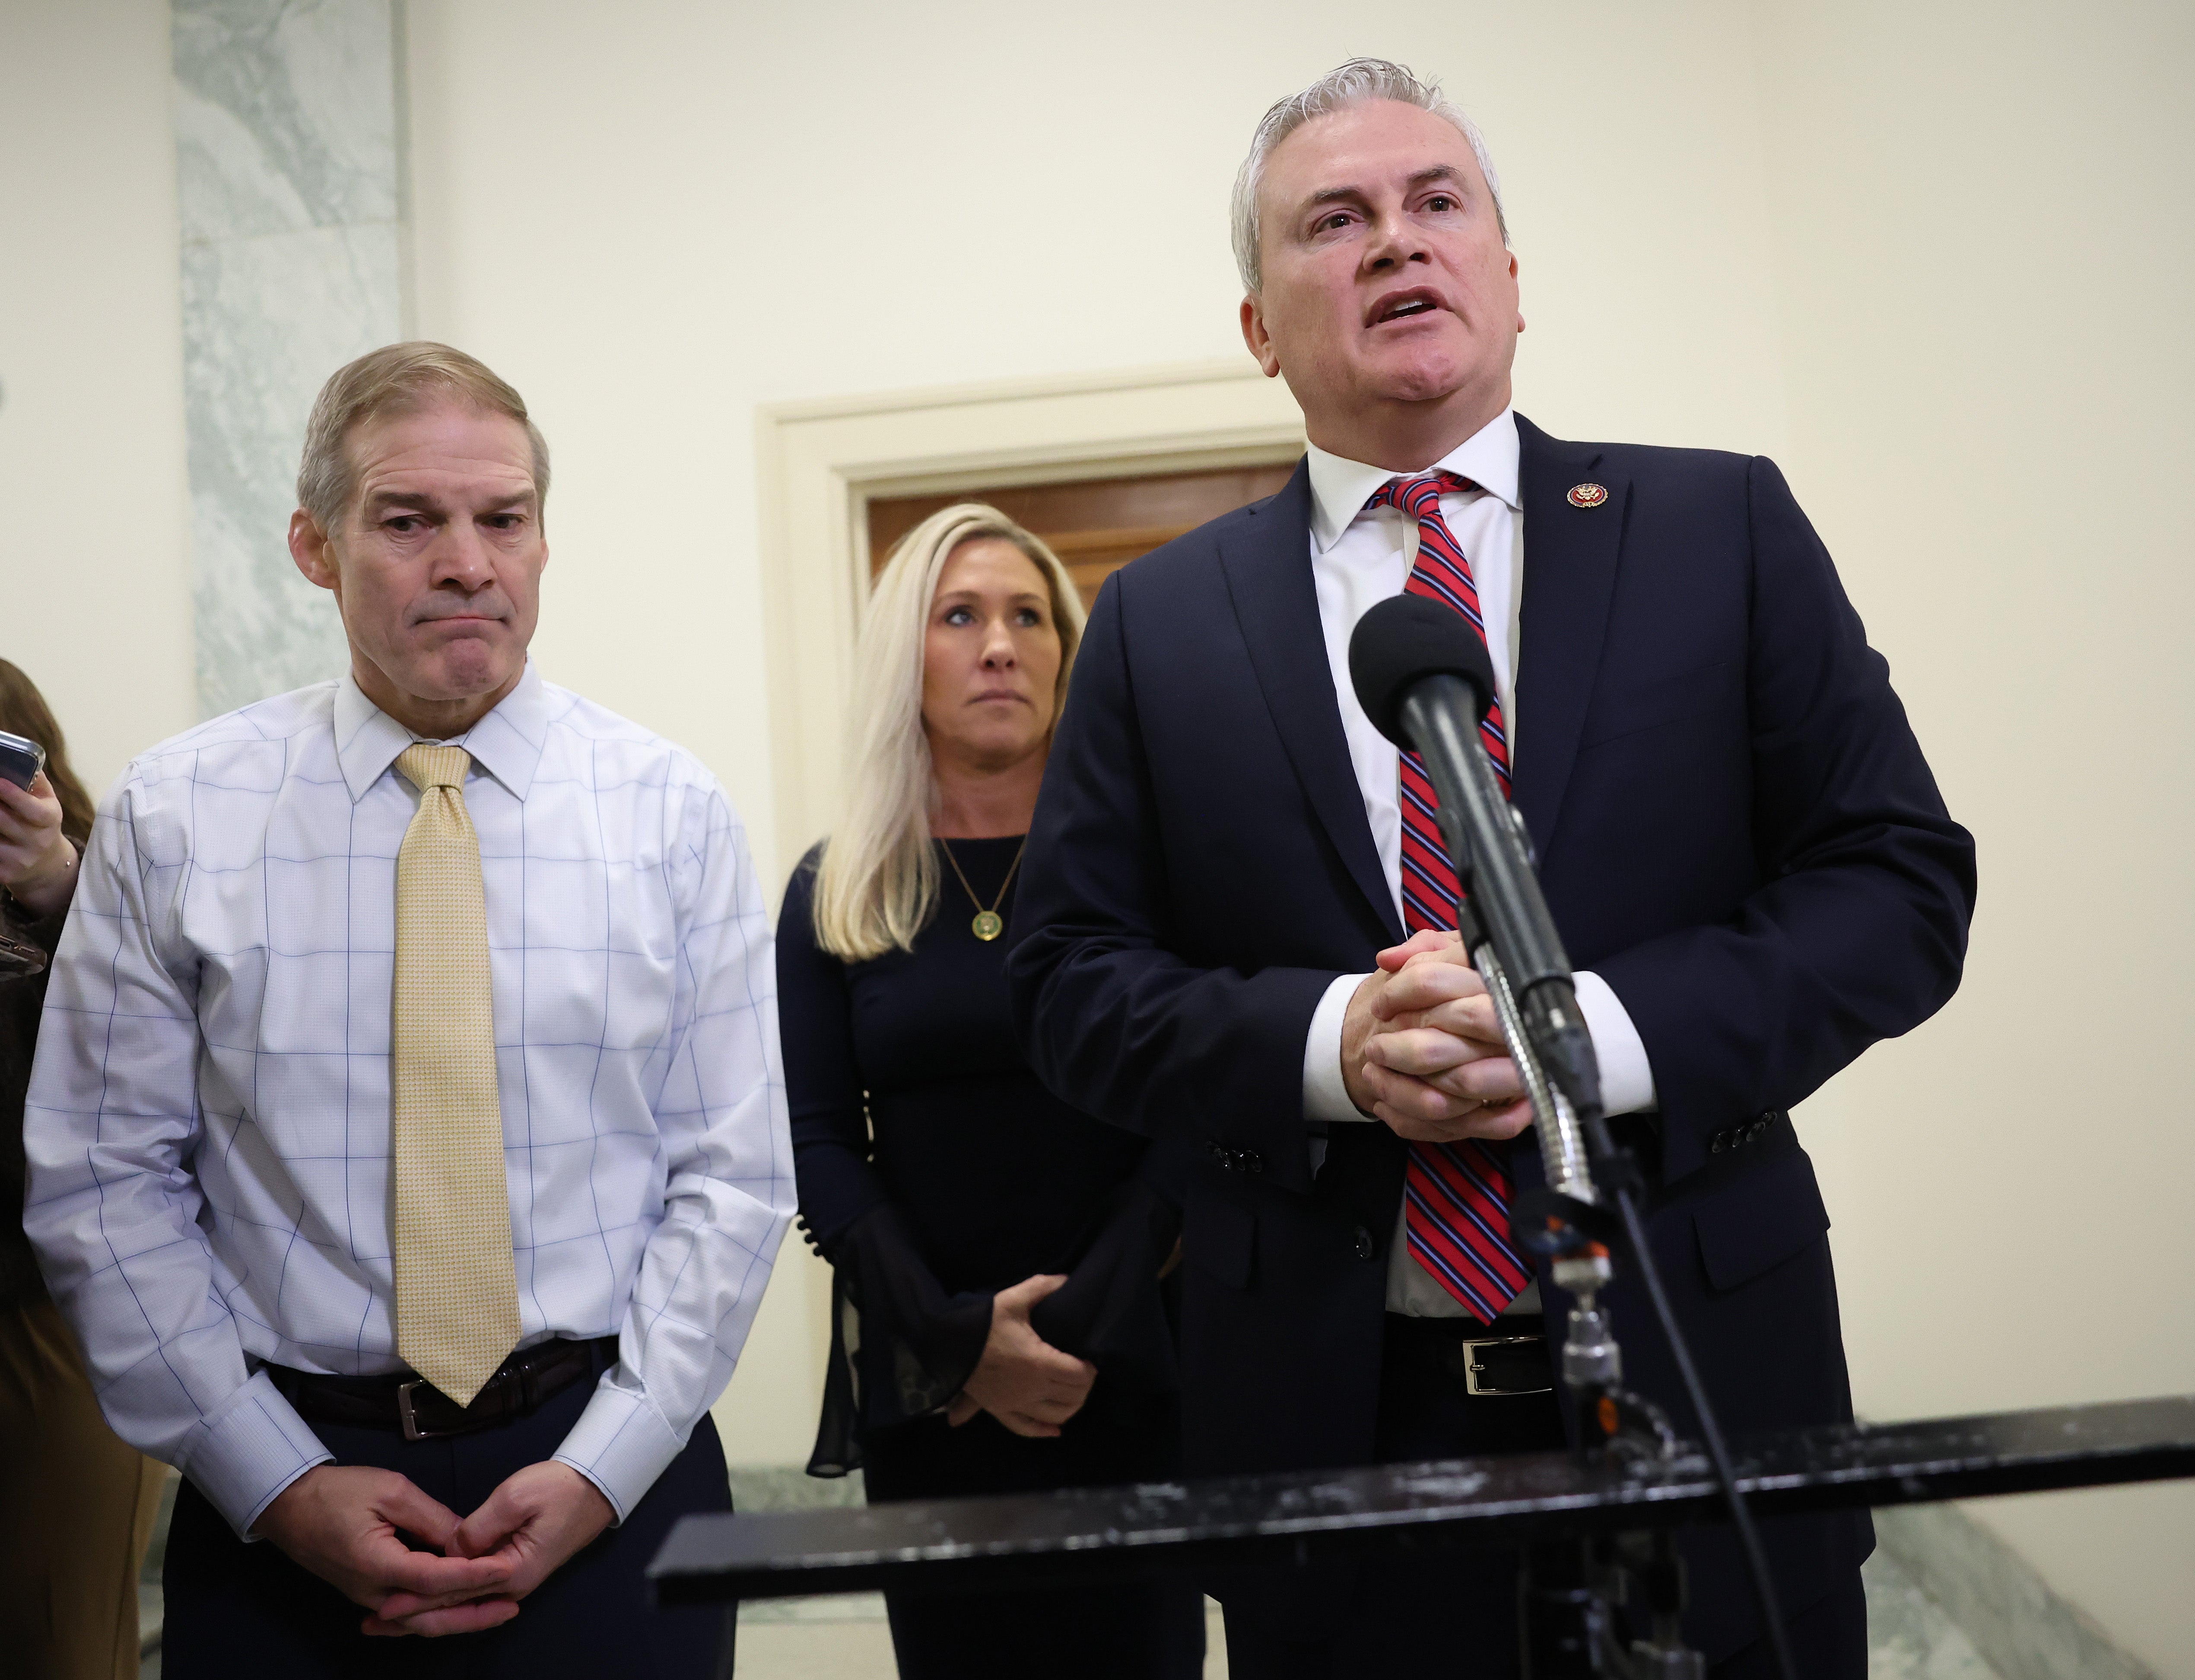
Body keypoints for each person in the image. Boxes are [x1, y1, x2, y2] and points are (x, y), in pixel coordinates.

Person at [1006, 59, 1977, 1680]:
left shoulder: (1717, 529)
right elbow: (1066, 981)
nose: (1396, 243)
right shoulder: (1161, 620)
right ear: (1259, 325)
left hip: (1705, 1382)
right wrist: (1335, 1051)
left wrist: (1586, 1032)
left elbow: (1896, 883)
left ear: (1511, 280)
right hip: (1335, 1433)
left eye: (1435, 202)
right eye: (1335, 220)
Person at [21, 342, 794, 1679]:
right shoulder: (179, 815)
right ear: (314, 548)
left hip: (609, 1470)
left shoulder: (668, 812)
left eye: (505, 519)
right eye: (407, 521)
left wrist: (605, 1467)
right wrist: (273, 1479)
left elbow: (729, 1178)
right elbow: (101, 1180)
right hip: (282, 1492)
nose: (467, 561)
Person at [777, 504, 1200, 1679]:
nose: (1000, 645)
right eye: (958, 616)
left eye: (1028, 616)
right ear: (903, 661)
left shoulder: (1146, 872)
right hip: (934, 1398)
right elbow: (814, 1144)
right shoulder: (837, 888)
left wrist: (1068, 1338)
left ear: (1067, 654)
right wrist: (962, 1344)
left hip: (1135, 1375)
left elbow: (1202, 1111)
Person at [0, 661, 169, 1680]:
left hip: (49, 1314)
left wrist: (57, 886)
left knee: (62, 1642)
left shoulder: (100, 887)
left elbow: (163, 1060)